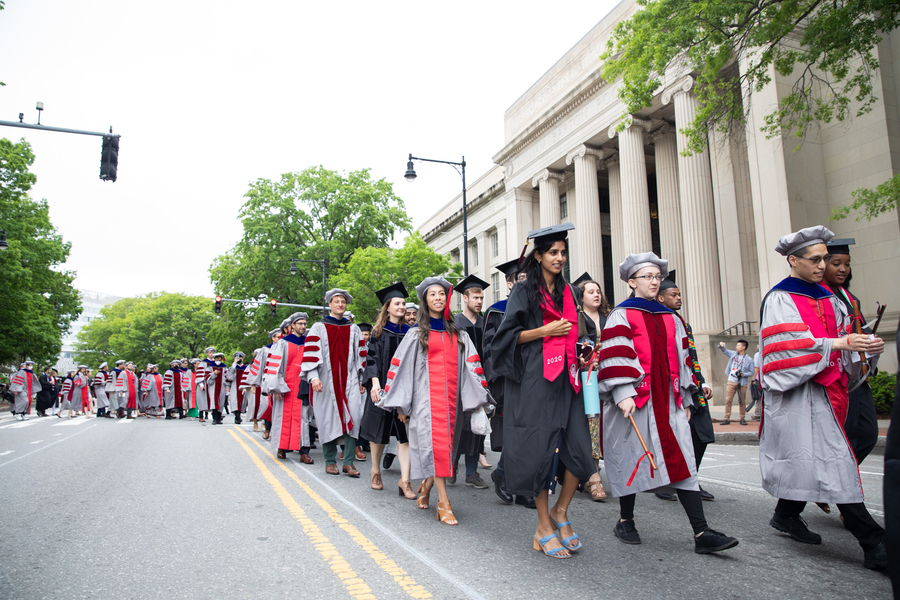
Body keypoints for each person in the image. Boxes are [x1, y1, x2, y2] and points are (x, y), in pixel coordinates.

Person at [759, 225, 885, 570]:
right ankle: (873, 542)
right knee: (834, 463)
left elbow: (846, 339)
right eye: (814, 260)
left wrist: (866, 347)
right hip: (802, 395)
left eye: (824, 259)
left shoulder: (830, 297)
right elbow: (785, 349)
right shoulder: (780, 298)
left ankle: (785, 513)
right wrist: (838, 344)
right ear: (793, 260)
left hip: (834, 391)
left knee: (822, 461)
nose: (821, 266)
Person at [598, 252, 738, 555]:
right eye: (647, 277)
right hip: (637, 401)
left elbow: (684, 361)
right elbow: (615, 356)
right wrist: (623, 393)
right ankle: (626, 520)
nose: (654, 281)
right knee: (631, 460)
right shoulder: (621, 315)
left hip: (671, 402)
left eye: (656, 277)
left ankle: (701, 532)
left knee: (684, 464)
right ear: (632, 282)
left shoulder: (671, 318)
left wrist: (687, 398)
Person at [491, 223, 596, 558]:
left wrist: (582, 348)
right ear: (538, 255)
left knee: (580, 451)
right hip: (536, 379)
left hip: (567, 378)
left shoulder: (570, 292)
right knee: (539, 451)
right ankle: (542, 525)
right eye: (553, 252)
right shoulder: (524, 292)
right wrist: (544, 330)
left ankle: (561, 512)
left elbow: (578, 332)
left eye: (563, 252)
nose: (559, 258)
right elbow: (505, 339)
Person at [377, 276, 491, 526]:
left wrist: (480, 400)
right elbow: (402, 370)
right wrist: (401, 405)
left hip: (453, 404)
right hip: (425, 404)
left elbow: (472, 368)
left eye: (441, 293)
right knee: (435, 449)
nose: (438, 297)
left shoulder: (459, 334)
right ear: (425, 301)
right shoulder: (416, 334)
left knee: (445, 454)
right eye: (432, 294)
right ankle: (444, 502)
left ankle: (426, 486)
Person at [655, 270, 716, 501]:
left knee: (701, 435)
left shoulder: (684, 324)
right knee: (672, 437)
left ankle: (690, 480)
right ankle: (665, 482)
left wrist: (703, 382)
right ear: (661, 298)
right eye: (674, 294)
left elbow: (691, 357)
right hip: (673, 390)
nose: (679, 298)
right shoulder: (660, 323)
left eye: (679, 294)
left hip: (693, 388)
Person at [482, 258, 536, 509]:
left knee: (533, 433)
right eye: (520, 278)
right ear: (509, 282)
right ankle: (505, 474)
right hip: (508, 380)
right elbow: (491, 349)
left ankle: (520, 484)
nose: (524, 282)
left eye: (527, 277)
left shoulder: (536, 308)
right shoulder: (497, 310)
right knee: (515, 433)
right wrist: (497, 383)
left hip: (535, 377)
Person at [822, 237, 879, 464]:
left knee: (867, 433)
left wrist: (872, 343)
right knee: (843, 435)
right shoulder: (818, 298)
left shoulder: (849, 297)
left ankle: (839, 480)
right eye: (836, 263)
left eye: (847, 263)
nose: (843, 269)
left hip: (857, 376)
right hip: (834, 375)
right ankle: (839, 485)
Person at [360, 282, 416, 497]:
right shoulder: (378, 332)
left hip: (404, 391)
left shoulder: (411, 332)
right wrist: (374, 384)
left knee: (405, 436)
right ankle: (375, 470)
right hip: (382, 387)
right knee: (378, 433)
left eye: (403, 303)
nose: (402, 307)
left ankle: (405, 481)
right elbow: (371, 359)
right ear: (388, 307)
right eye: (398, 303)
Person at [303, 292, 366, 476]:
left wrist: (361, 380)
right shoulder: (318, 327)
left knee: (353, 417)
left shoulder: (353, 329)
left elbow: (361, 356)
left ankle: (348, 462)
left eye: (343, 301)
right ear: (329, 304)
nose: (340, 304)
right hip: (325, 381)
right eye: (336, 301)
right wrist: (314, 377)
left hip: (350, 380)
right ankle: (330, 461)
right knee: (327, 419)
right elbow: (311, 355)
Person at [452, 274, 491, 490]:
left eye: (481, 298)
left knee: (478, 427)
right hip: (460, 383)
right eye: (475, 297)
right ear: (465, 298)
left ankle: (471, 472)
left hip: (481, 383)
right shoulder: (455, 323)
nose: (479, 301)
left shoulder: (486, 324)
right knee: (460, 426)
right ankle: (452, 467)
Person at [573, 272, 610, 503]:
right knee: (591, 423)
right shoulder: (577, 318)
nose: (596, 295)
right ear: (582, 296)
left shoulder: (609, 318)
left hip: (608, 377)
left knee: (604, 426)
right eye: (591, 292)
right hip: (587, 378)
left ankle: (592, 475)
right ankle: (593, 478)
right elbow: (577, 351)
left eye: (598, 292)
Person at [260, 313, 314, 461]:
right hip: (285, 387)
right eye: (300, 324)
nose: (303, 326)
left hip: (303, 387)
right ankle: (282, 448)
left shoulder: (309, 344)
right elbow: (274, 367)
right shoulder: (282, 344)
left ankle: (304, 451)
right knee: (282, 417)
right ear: (293, 326)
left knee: (303, 418)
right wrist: (276, 388)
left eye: (304, 324)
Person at [718, 340, 754, 425]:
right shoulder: (734, 354)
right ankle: (726, 418)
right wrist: (721, 346)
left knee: (742, 401)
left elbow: (752, 372)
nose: (736, 347)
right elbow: (725, 351)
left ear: (743, 347)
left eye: (738, 345)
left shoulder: (749, 360)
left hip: (742, 382)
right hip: (731, 381)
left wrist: (743, 374)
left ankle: (742, 418)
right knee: (728, 400)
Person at [225, 352, 249, 425]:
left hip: (244, 387)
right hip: (234, 387)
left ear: (243, 358)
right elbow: (229, 377)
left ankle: (238, 416)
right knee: (235, 402)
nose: (239, 359)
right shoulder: (233, 367)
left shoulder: (246, 368)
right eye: (237, 357)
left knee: (242, 403)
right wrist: (234, 363)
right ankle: (237, 417)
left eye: (240, 357)